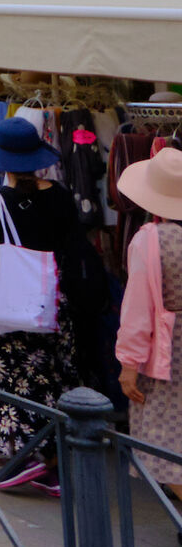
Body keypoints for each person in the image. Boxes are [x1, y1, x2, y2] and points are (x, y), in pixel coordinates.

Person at [0, 116, 103, 492]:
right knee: (54, 376)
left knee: (13, 378)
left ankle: (29, 457)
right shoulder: (59, 194)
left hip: (15, 306)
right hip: (55, 300)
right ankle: (53, 460)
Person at [116, 148, 182, 508]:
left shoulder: (151, 240)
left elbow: (138, 308)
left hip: (168, 352)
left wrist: (129, 363)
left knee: (164, 440)